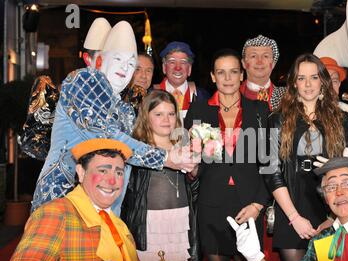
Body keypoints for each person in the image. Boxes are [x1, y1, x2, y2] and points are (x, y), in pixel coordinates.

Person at [31, 21, 195, 214]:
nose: (125, 68)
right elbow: (107, 138)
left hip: (107, 210)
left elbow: (139, 144)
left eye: (131, 64)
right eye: (118, 59)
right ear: (100, 60)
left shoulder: (123, 109)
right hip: (63, 204)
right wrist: (166, 158)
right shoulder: (84, 81)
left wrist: (183, 148)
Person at [2, 139, 159, 261]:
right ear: (81, 173)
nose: (113, 181)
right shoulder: (57, 213)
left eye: (119, 172)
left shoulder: (119, 225)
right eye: (103, 171)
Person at [184, 48, 270, 261]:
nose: (228, 78)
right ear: (212, 76)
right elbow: (197, 167)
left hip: (248, 205)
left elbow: (271, 163)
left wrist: (258, 204)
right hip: (212, 206)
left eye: (233, 72)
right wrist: (191, 168)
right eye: (221, 72)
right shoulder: (199, 111)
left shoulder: (259, 110)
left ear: (242, 75)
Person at [263, 53, 348, 261]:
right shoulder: (278, 119)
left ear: (322, 80)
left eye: (314, 77)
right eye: (302, 78)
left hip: (327, 205)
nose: (308, 84)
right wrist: (294, 218)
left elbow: (346, 172)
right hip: (290, 206)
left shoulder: (341, 119)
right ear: (294, 83)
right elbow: (271, 172)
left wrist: (333, 218)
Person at [121, 90, 200, 261]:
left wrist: (195, 169)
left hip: (180, 223)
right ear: (146, 118)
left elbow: (195, 189)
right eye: (158, 114)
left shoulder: (183, 146)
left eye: (171, 114)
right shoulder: (138, 150)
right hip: (148, 225)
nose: (166, 120)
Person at [19, 17, 111, 161]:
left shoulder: (123, 98)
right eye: (104, 58)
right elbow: (31, 143)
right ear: (88, 59)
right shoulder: (57, 94)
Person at [154, 41, 209, 121]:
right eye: (172, 62)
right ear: (164, 67)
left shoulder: (202, 97)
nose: (178, 68)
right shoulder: (151, 96)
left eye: (183, 62)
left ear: (189, 69)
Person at [240, 34, 286, 111]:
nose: (259, 62)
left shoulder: (287, 96)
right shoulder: (229, 97)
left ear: (273, 64)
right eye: (253, 56)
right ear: (244, 63)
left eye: (265, 56)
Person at [320, 56, 348, 125]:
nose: (330, 86)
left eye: (334, 81)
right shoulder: (301, 113)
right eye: (325, 80)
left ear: (339, 84)